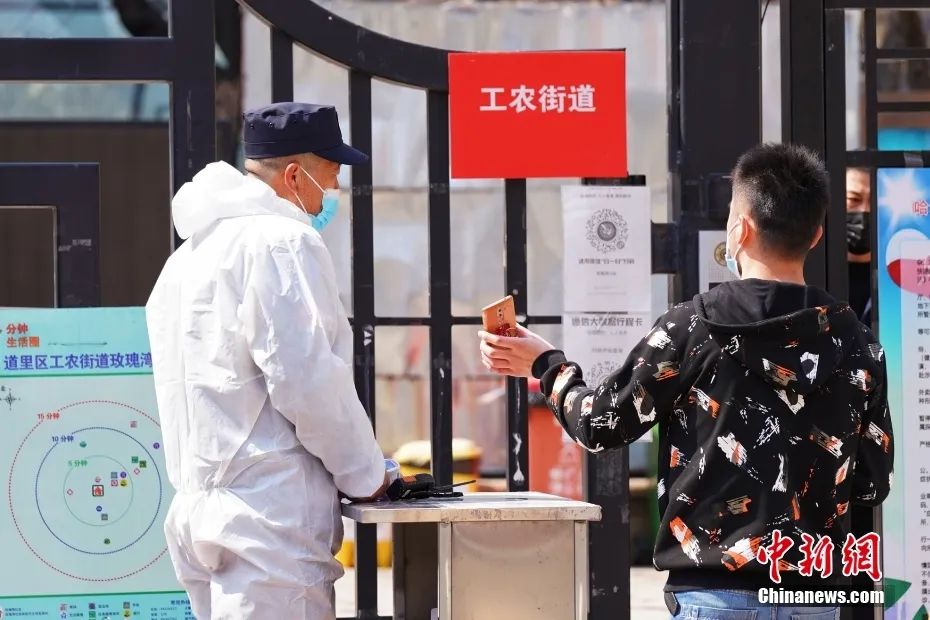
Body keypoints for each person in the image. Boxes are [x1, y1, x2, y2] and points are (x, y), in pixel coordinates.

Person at [479, 143, 893, 618]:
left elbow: (601, 423)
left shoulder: (693, 329)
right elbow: (871, 483)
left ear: (740, 229)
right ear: (817, 234)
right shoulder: (858, 344)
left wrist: (546, 365)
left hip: (713, 593)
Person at [145, 102, 389, 620]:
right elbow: (307, 381)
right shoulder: (282, 242)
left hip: (199, 510)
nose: (335, 189)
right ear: (295, 176)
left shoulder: (187, 257)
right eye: (332, 173)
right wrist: (368, 475)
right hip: (268, 520)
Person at [846, 168, 873, 325]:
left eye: (873, 200)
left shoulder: (894, 277)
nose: (864, 210)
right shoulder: (819, 272)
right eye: (854, 199)